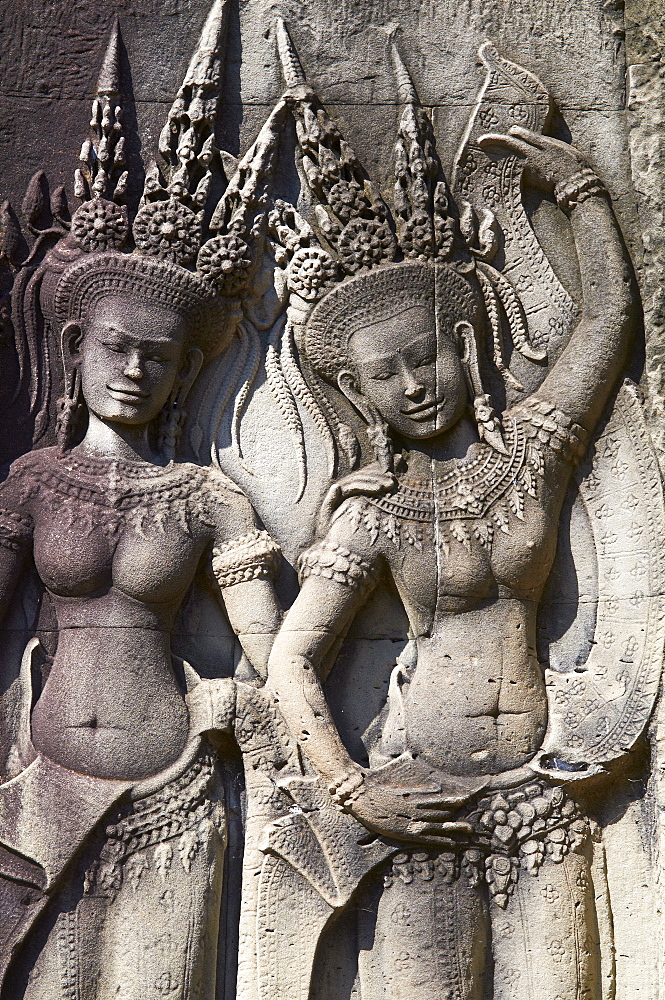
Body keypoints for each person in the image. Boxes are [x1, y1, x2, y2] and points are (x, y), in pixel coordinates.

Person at [266, 123, 635, 1000]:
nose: (414, 388)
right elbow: (290, 658)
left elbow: (608, 320)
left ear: (466, 351)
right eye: (385, 376)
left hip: (545, 795)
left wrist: (581, 193)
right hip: (422, 803)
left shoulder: (532, 456)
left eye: (425, 358)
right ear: (357, 394)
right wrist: (354, 791)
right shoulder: (375, 513)